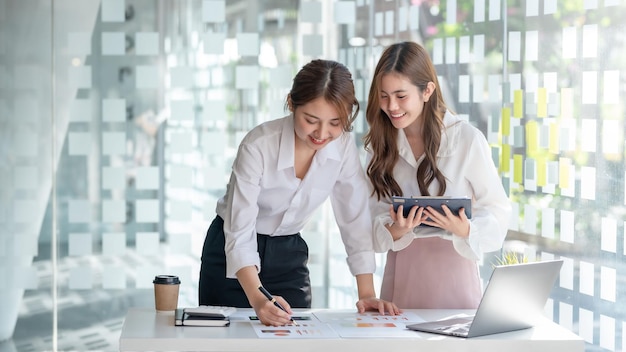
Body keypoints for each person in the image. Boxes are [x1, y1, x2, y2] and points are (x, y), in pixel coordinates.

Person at [199, 59, 399, 327]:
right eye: (311, 120)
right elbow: (239, 231)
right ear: (292, 104)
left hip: (288, 255)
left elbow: (354, 219)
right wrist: (258, 300)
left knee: (295, 337)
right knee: (227, 339)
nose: (322, 133)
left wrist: (367, 294)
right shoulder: (258, 145)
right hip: (231, 253)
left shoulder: (341, 148)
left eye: (335, 123)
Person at [363, 42, 511, 309]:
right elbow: (371, 218)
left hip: (456, 271)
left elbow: (498, 211)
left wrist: (465, 229)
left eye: (401, 95)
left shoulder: (466, 138)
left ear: (427, 90)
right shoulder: (380, 144)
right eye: (383, 95)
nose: (391, 106)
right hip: (402, 273)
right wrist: (396, 229)